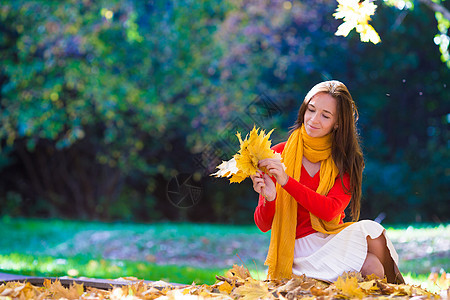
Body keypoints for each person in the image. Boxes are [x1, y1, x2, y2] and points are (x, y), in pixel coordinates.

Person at [250, 80, 404, 284]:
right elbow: (262, 224)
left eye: (325, 115)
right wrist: (270, 198)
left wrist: (287, 182)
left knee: (373, 251)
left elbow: (329, 210)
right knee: (373, 257)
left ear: (338, 122)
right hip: (296, 249)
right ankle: (399, 290)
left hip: (330, 239)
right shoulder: (278, 154)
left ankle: (399, 293)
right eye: (311, 110)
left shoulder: (345, 161)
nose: (314, 120)